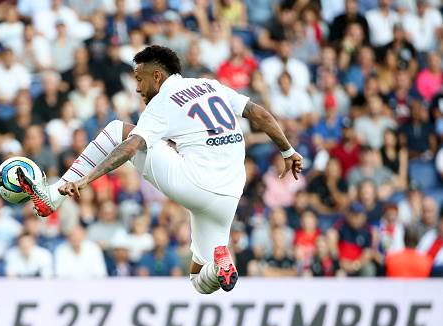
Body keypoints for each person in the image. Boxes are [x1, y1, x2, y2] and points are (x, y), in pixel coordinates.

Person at [17, 45, 303, 294]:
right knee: (197, 278)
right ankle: (219, 267)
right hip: (229, 193)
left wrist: (88, 178)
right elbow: (260, 114)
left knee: (118, 130)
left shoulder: (164, 101)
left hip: (195, 183)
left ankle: (52, 197)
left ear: (158, 76)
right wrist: (288, 151)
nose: (138, 89)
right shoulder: (211, 85)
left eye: (139, 80)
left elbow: (130, 147)